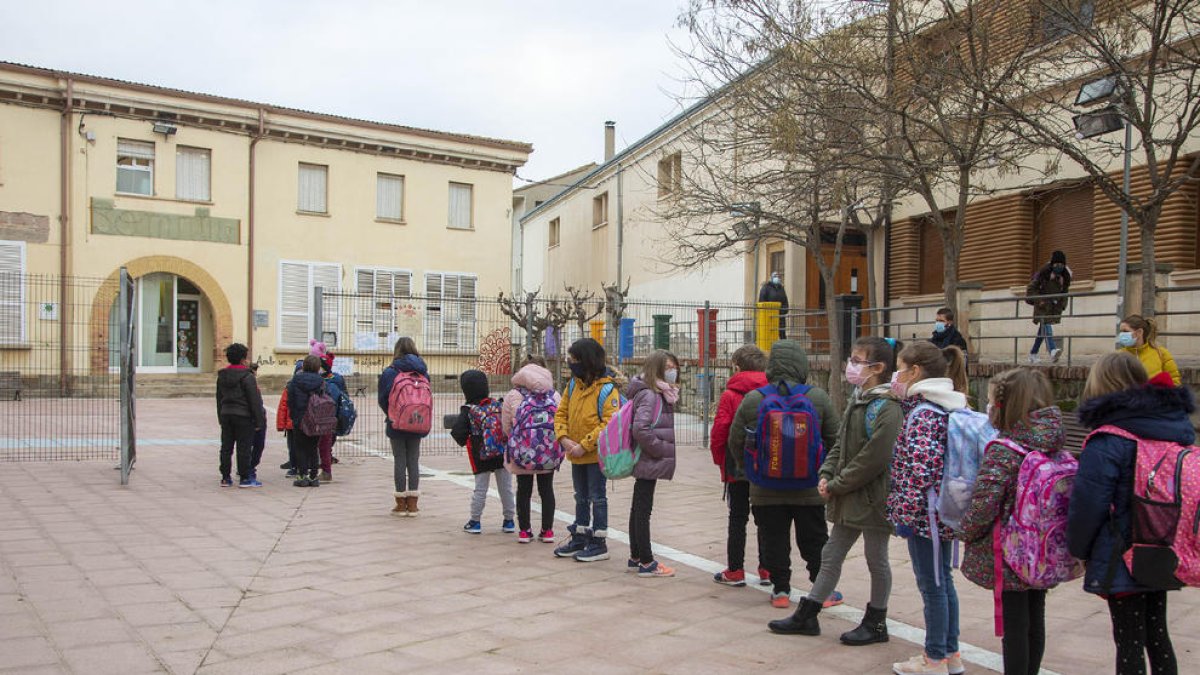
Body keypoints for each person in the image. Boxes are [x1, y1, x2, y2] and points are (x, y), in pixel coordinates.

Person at [769, 336, 903, 645]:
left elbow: (874, 458)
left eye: (858, 360)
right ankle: (808, 614)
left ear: (879, 367)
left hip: (873, 499)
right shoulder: (859, 399)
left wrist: (838, 484)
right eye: (851, 359)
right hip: (850, 495)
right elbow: (841, 445)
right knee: (831, 554)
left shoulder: (888, 408)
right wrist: (826, 473)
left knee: (876, 559)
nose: (850, 366)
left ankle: (876, 621)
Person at [1069, 352, 1188, 674]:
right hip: (1161, 542)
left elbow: (1088, 502)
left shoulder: (1109, 439)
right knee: (1157, 634)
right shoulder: (1169, 426)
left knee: (1129, 642)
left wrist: (1078, 548)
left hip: (1120, 551)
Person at [958, 368, 1065, 675]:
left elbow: (983, 504)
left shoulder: (1005, 450)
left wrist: (963, 530)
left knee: (1015, 627)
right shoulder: (1052, 443)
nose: (988, 407)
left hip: (1011, 553)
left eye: (991, 401)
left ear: (1005, 406)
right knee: (1036, 615)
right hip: (1044, 550)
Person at [728, 340, 839, 609]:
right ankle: (822, 589)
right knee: (814, 540)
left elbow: (736, 440)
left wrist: (748, 470)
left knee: (773, 540)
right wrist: (826, 473)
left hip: (766, 488)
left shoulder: (755, 399)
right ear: (802, 365)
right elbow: (836, 440)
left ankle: (780, 590)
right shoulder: (818, 397)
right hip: (810, 488)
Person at [887, 341, 970, 675]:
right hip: (945, 511)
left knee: (932, 585)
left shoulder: (924, 414)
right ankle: (950, 654)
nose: (897, 375)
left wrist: (902, 516)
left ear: (916, 371)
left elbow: (918, 473)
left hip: (926, 517)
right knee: (943, 582)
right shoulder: (949, 406)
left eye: (900, 368)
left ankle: (934, 658)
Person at [553, 338, 622, 562]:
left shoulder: (607, 389)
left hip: (595, 455)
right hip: (575, 453)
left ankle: (599, 541)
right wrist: (563, 438)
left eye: (574, 360)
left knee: (597, 497)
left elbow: (609, 425)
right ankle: (580, 536)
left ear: (587, 361)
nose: (571, 364)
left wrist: (584, 445)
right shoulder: (573, 385)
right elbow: (560, 412)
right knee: (580, 496)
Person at [711, 344, 771, 587]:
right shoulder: (772, 391)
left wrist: (720, 461)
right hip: (767, 464)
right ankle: (767, 569)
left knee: (737, 517)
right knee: (765, 518)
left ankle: (735, 570)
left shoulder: (730, 394)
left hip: (737, 464)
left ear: (736, 366)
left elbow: (720, 431)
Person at [625, 350, 680, 578]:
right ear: (655, 369)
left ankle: (636, 556)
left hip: (646, 457)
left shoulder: (658, 392)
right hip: (648, 457)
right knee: (642, 509)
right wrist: (660, 448)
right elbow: (641, 428)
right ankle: (647, 562)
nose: (672, 370)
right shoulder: (651, 394)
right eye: (667, 366)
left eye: (674, 366)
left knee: (639, 506)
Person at [501, 355, 560, 543]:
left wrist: (519, 440)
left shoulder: (513, 395)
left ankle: (525, 531)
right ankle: (547, 531)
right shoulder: (554, 395)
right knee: (547, 490)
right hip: (548, 453)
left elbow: (506, 427)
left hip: (522, 453)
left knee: (523, 490)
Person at [451, 369, 516, 534]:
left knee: (480, 489)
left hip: (480, 456)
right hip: (502, 453)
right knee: (506, 488)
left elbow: (458, 432)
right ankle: (509, 521)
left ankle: (475, 521)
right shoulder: (498, 404)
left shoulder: (468, 409)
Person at [379, 337, 430, 516]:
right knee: (413, 460)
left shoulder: (390, 371)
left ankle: (401, 505)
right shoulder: (423, 371)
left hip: (396, 423)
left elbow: (382, 399)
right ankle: (414, 505)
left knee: (400, 459)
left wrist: (393, 414)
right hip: (418, 420)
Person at [215, 343, 266, 488]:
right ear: (243, 358)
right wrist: (259, 421)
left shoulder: (222, 376)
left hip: (226, 414)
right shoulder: (247, 376)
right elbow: (254, 400)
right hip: (244, 416)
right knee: (243, 447)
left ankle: (225, 477)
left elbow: (219, 398)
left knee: (226, 446)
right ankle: (245, 478)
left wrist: (220, 415)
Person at [286, 355, 327, 487]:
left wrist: (294, 415)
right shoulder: (321, 381)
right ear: (317, 367)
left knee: (300, 448)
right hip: (315, 419)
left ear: (304, 366)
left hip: (300, 417)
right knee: (313, 448)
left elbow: (290, 399)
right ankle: (313, 476)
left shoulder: (296, 380)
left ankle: (302, 475)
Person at [1026, 250, 1071, 364]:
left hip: (1052, 307)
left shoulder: (1064, 277)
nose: (1059, 267)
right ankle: (1052, 350)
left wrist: (1062, 305)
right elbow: (1031, 289)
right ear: (1052, 264)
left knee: (1042, 331)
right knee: (1046, 324)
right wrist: (1039, 300)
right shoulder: (1043, 274)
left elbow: (1065, 293)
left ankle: (1033, 353)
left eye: (1061, 265)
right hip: (1042, 305)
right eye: (1056, 265)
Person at [1117, 314, 1181, 386]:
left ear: (1139, 332)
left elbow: (1174, 381)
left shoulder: (1161, 353)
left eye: (1125, 331)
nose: (1121, 335)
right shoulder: (1118, 356)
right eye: (1121, 331)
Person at [316, 348, 346, 482]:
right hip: (334, 415)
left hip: (323, 416)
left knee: (323, 443)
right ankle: (326, 461)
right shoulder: (338, 378)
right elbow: (345, 395)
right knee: (328, 441)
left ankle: (322, 466)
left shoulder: (319, 380)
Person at [248, 363, 268, 482]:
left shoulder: (254, 385)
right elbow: (255, 404)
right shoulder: (249, 384)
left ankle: (248, 467)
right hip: (253, 419)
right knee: (256, 445)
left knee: (253, 446)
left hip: (256, 417)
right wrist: (259, 420)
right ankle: (249, 468)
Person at [758, 271, 790, 339]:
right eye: (775, 276)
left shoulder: (781, 288)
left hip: (780, 317)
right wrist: (770, 311)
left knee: (782, 335)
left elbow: (785, 304)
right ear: (771, 278)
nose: (777, 278)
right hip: (769, 317)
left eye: (778, 276)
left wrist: (780, 311)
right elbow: (762, 302)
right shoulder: (766, 288)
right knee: (770, 336)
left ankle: (783, 348)